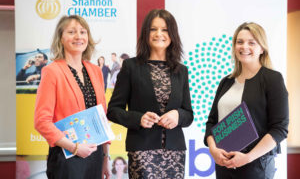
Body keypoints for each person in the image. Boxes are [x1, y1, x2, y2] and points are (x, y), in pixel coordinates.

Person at [107, 9, 194, 179]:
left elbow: (188, 115)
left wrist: (178, 115)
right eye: (153, 29)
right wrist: (138, 119)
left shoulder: (181, 71)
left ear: (172, 34)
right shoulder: (130, 67)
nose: (158, 34)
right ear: (146, 33)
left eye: (165, 29)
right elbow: (113, 110)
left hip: (175, 152)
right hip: (141, 151)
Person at [204, 22, 289, 179]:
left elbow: (280, 128)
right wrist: (213, 150)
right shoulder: (226, 82)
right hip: (224, 164)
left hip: (256, 165)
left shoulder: (272, 79)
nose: (244, 47)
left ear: (262, 48)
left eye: (252, 42)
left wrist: (248, 157)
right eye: (240, 42)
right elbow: (211, 122)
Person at [34, 15, 111, 179]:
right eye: (71, 32)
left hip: (95, 156)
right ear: (61, 38)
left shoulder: (96, 71)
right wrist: (75, 147)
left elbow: (102, 117)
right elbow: (41, 121)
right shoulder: (51, 71)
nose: (78, 36)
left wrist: (106, 157)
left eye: (83, 32)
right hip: (66, 156)